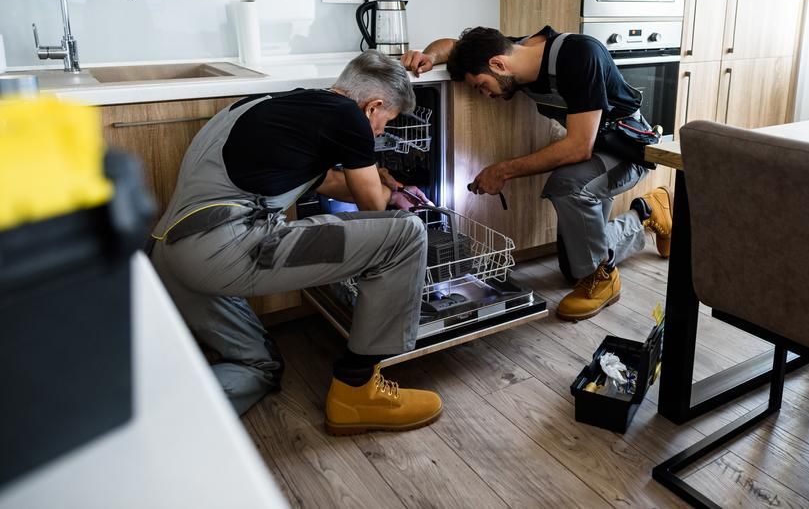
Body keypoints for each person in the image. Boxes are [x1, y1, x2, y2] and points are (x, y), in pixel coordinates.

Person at [149, 51, 442, 435]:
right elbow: (375, 210)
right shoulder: (349, 116)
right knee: (406, 234)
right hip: (222, 249)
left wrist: (388, 186)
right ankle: (357, 391)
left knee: (261, 366)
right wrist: (385, 192)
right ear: (372, 107)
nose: (379, 133)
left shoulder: (278, 107)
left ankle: (151, 423)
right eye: (385, 123)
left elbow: (327, 181)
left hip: (169, 258)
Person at [402, 26, 673, 321]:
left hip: (626, 150)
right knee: (575, 267)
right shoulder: (512, 51)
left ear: (497, 64)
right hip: (595, 151)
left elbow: (578, 148)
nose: (486, 95)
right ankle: (647, 212)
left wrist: (502, 170)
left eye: (481, 86)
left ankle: (604, 279)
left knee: (566, 186)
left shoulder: (580, 54)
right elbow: (452, 45)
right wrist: (429, 56)